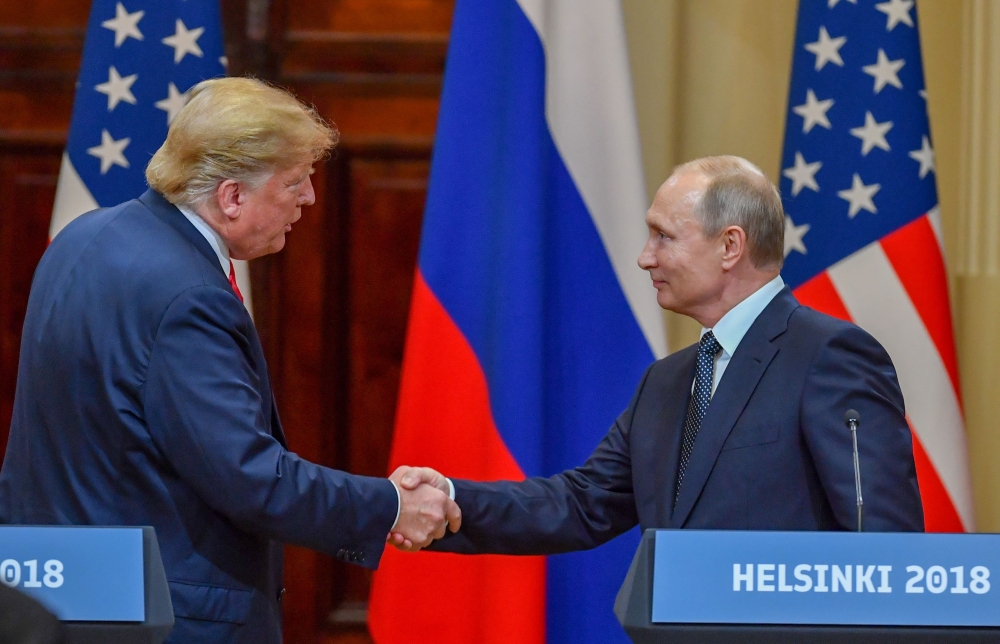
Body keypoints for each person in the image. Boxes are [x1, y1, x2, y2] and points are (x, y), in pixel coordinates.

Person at [0, 77, 457, 644]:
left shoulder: (83, 236)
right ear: (232, 196)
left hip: (58, 600)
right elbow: (250, 479)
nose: (310, 198)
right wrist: (387, 506)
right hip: (167, 620)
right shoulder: (187, 293)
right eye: (294, 183)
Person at [390, 155, 923, 555]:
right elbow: (579, 505)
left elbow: (885, 549)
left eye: (663, 237)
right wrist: (450, 500)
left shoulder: (829, 355)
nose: (646, 258)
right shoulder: (667, 382)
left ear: (730, 246)